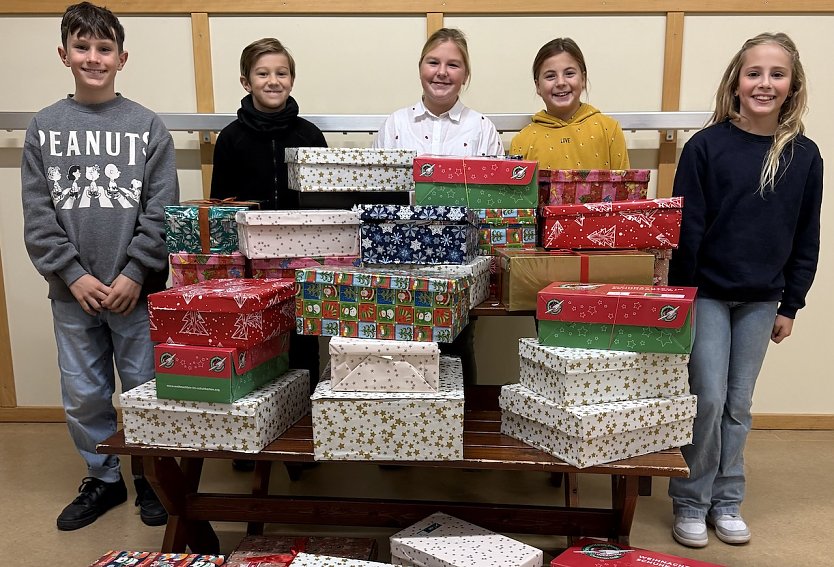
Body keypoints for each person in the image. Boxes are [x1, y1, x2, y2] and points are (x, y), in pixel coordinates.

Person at [21, 2, 178, 530]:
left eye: (104, 48)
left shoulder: (147, 127)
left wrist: (136, 272)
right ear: (64, 54)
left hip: (136, 292)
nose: (94, 57)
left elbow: (160, 211)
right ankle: (104, 478)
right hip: (73, 294)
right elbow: (38, 215)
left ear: (122, 57)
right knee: (84, 393)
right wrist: (73, 274)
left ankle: (151, 477)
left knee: (143, 386)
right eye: (83, 47)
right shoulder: (44, 128)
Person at [667, 32, 823, 549]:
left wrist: (792, 304)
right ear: (736, 81)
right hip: (707, 295)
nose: (764, 83)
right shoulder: (705, 147)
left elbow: (806, 236)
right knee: (707, 399)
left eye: (777, 74)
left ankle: (726, 500)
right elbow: (686, 229)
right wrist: (681, 298)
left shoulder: (805, 157)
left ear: (792, 85)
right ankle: (691, 500)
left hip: (762, 300)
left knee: (738, 403)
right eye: (754, 73)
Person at [211, 39, 324, 472]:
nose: (273, 80)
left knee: (301, 345)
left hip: (302, 262)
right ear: (246, 81)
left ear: (292, 79)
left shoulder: (310, 135)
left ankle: (303, 437)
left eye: (281, 73)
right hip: (250, 266)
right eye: (263, 73)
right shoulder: (231, 139)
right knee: (254, 345)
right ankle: (248, 435)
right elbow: (222, 207)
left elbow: (326, 206)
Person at [373, 27, 504, 385]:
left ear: (465, 74)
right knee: (400, 349)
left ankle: (458, 426)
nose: (442, 72)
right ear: (420, 67)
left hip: (460, 262)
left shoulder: (482, 129)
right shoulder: (395, 124)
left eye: (453, 65)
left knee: (457, 345)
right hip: (399, 259)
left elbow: (494, 204)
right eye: (434, 62)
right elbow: (378, 196)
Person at [510, 37, 629, 170]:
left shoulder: (609, 129)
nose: (560, 82)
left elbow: (624, 187)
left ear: (583, 79)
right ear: (538, 86)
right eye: (550, 76)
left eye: (569, 73)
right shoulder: (522, 141)